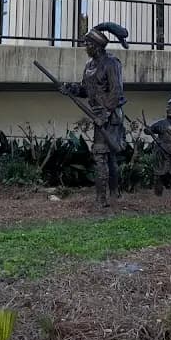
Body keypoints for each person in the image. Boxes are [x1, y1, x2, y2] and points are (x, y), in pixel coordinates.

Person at [60, 22, 128, 207]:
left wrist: (105, 113)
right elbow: (86, 90)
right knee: (108, 156)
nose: (85, 47)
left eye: (87, 43)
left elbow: (116, 93)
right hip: (98, 114)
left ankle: (102, 198)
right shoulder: (89, 65)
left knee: (101, 155)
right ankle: (114, 192)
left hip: (111, 117)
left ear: (96, 46)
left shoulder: (112, 63)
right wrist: (71, 89)